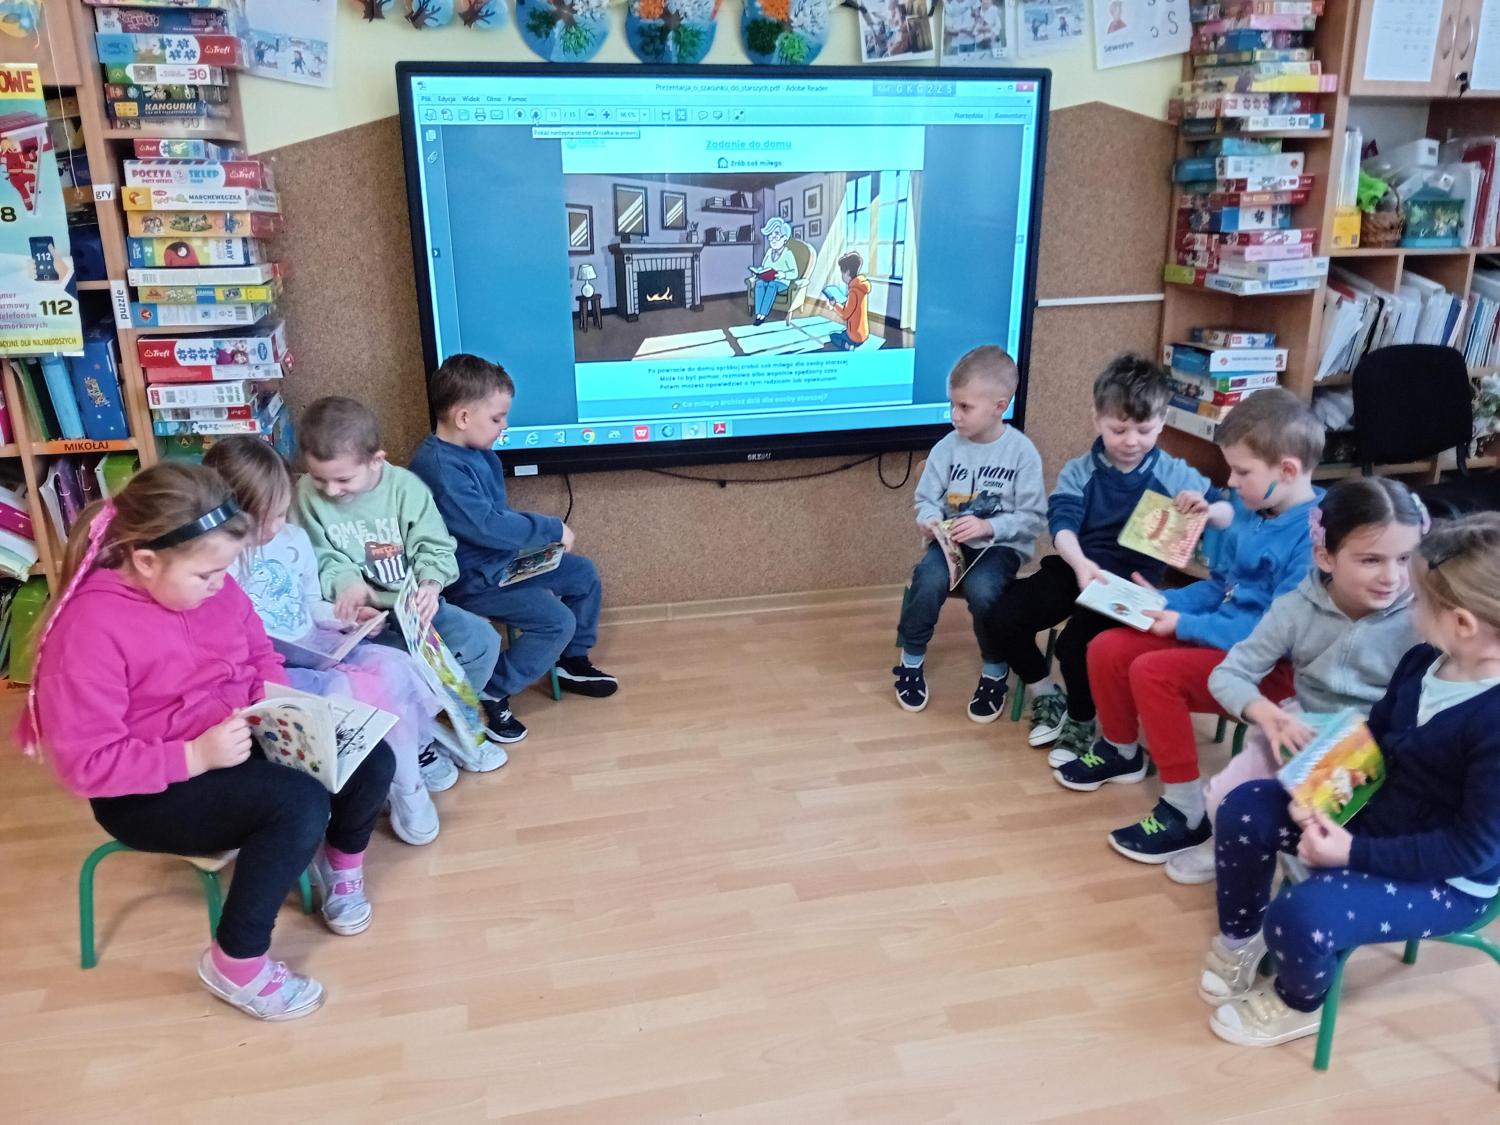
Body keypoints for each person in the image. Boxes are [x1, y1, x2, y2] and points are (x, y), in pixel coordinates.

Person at [19, 463, 396, 1020]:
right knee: (297, 804)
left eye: (225, 570)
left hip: (236, 738)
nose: (220, 584)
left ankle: (340, 867)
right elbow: (86, 765)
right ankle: (235, 963)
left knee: (371, 755)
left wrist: (286, 710)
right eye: (206, 575)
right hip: (146, 792)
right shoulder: (88, 631)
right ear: (146, 561)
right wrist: (194, 756)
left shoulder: (213, 585)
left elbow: (259, 653)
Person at [1201, 514, 1500, 1048]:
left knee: (1302, 913)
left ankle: (1297, 1003)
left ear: (1462, 623)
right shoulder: (1423, 660)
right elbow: (1375, 741)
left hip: (1446, 879)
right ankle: (1241, 938)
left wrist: (1351, 853)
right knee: (1245, 808)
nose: (1404, 600)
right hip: (1375, 820)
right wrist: (1320, 794)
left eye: (1418, 599)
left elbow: (1470, 851)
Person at [1056, 388, 1325, 863]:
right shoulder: (1256, 510)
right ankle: (1121, 751)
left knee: (1152, 674)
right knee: (1106, 646)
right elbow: (1223, 587)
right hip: (1223, 637)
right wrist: (1164, 601)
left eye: (1242, 472)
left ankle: (1185, 811)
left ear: (1287, 470)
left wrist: (1183, 624)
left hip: (1266, 668)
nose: (1231, 482)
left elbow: (1274, 636)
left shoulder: (1314, 537)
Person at [1166, 477, 1426, 884]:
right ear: (1325, 556)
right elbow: (1231, 673)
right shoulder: (1294, 608)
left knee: (1326, 838)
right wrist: (1266, 715)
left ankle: (1307, 879)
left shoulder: (1424, 616)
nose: (1392, 577)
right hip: (1302, 728)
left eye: (1405, 558)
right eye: (1371, 560)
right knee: (1224, 801)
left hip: (1385, 741)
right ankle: (1228, 845)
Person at [205, 436, 452, 846]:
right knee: (352, 689)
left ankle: (407, 784)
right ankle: (388, 780)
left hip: (314, 646)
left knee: (393, 668)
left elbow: (309, 603)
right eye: (264, 518)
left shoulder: (293, 540)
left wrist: (345, 617)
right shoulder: (216, 563)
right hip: (267, 673)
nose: (276, 527)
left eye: (281, 513)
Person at [986, 354, 1227, 765]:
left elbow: (1227, 511)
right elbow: (1062, 522)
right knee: (1001, 616)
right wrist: (1081, 564)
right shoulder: (1081, 470)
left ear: (1162, 421)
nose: (1131, 440)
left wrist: (1207, 507)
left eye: (1144, 430)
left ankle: (1082, 718)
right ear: (1097, 419)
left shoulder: (1173, 473)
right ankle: (1047, 693)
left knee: (1076, 647)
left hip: (1130, 585)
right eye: (1119, 429)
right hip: (1079, 566)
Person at [292, 395, 521, 754]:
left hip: (414, 607)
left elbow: (435, 546)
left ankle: (430, 720)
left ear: (376, 460)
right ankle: (415, 735)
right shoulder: (306, 494)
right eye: (320, 480)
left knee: (482, 642)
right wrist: (347, 584)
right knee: (388, 672)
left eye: (343, 479)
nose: (331, 490)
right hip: (358, 618)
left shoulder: (405, 488)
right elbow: (319, 556)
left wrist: (430, 585)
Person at [409, 354, 618, 705]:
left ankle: (571, 661)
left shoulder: (478, 451)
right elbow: (487, 526)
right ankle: (490, 690)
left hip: (500, 565)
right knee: (556, 622)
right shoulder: (440, 468)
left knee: (582, 574)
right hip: (472, 581)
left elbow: (496, 519)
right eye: (497, 418)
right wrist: (551, 528)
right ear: (463, 417)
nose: (504, 425)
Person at [893, 344, 1046, 720]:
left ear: (999, 406)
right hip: (951, 545)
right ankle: (910, 660)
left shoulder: (1022, 453)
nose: (955, 415)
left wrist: (989, 525)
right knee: (928, 578)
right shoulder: (946, 448)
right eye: (952, 405)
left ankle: (995, 668)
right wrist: (929, 519)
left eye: (965, 407)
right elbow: (926, 499)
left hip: (1000, 546)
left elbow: (1033, 517)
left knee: (983, 588)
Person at [749, 216, 799, 325]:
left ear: (784, 238)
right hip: (768, 279)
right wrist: (758, 272)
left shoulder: (788, 254)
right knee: (759, 283)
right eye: (770, 237)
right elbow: (764, 267)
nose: (773, 240)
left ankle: (763, 315)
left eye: (776, 237)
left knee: (772, 285)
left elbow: (795, 273)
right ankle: (758, 313)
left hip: (781, 282)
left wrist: (783, 274)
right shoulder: (769, 252)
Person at [826, 251, 870, 351]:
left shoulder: (853, 292)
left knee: (833, 336)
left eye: (842, 273)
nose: (842, 276)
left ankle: (847, 345)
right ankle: (851, 340)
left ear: (848, 272)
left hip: (855, 336)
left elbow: (845, 315)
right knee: (843, 332)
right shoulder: (861, 287)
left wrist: (835, 305)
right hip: (863, 332)